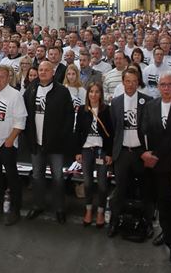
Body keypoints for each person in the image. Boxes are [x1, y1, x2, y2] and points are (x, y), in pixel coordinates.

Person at [140, 71, 171, 265]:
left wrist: (156, 155)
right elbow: (143, 130)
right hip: (150, 162)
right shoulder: (150, 106)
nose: (166, 88)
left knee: (167, 203)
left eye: (170, 85)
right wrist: (144, 152)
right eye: (163, 85)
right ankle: (165, 231)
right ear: (158, 87)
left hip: (166, 163)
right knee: (157, 200)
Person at [24, 60, 74, 224]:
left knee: (58, 178)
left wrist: (61, 138)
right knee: (37, 177)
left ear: (53, 72)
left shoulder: (62, 92)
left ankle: (59, 208)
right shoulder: (31, 89)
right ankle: (38, 205)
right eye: (40, 70)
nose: (43, 72)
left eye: (46, 70)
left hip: (55, 145)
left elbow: (69, 118)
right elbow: (25, 115)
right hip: (35, 143)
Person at [107, 67, 152, 238]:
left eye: (134, 81)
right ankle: (114, 222)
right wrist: (111, 153)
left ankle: (147, 222)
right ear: (123, 82)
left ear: (138, 82)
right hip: (123, 153)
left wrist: (149, 152)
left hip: (141, 153)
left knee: (146, 189)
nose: (131, 84)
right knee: (120, 190)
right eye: (128, 81)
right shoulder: (116, 102)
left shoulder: (147, 101)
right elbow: (112, 131)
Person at [74, 81, 113, 229]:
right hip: (86, 150)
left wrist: (109, 153)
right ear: (87, 94)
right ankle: (89, 210)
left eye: (97, 92)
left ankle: (101, 211)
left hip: (101, 151)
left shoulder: (106, 110)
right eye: (91, 91)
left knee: (102, 184)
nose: (94, 94)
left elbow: (111, 134)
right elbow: (77, 132)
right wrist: (78, 151)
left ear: (101, 94)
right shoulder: (83, 110)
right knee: (88, 183)